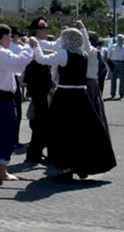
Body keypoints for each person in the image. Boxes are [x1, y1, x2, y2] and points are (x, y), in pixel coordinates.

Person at [30, 28, 116, 179]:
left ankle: (66, 165)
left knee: (62, 131)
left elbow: (42, 59)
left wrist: (35, 46)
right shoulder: (82, 54)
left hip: (65, 95)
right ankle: (81, 165)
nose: (60, 40)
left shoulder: (65, 54)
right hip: (80, 95)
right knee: (82, 131)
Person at [0, 24, 33, 181]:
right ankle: (2, 169)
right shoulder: (0, 52)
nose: (10, 40)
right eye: (9, 37)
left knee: (1, 130)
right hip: (1, 98)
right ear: (3, 37)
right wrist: (29, 47)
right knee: (9, 134)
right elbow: (19, 63)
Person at [23, 17, 53, 164]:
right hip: (38, 85)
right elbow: (42, 55)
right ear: (38, 31)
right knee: (41, 119)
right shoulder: (32, 43)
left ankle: (36, 151)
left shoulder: (38, 43)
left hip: (41, 84)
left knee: (42, 119)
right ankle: (34, 153)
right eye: (45, 29)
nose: (47, 31)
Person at [9, 26, 27, 147]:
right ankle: (14, 139)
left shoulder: (1, 47)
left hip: (2, 80)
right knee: (17, 112)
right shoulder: (17, 48)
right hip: (13, 79)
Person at [105, 34, 124, 100]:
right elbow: (108, 57)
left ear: (123, 40)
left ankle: (121, 94)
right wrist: (110, 65)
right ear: (117, 39)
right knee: (113, 79)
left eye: (121, 39)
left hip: (123, 63)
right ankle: (112, 93)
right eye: (119, 39)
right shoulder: (112, 46)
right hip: (114, 63)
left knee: (122, 80)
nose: (120, 40)